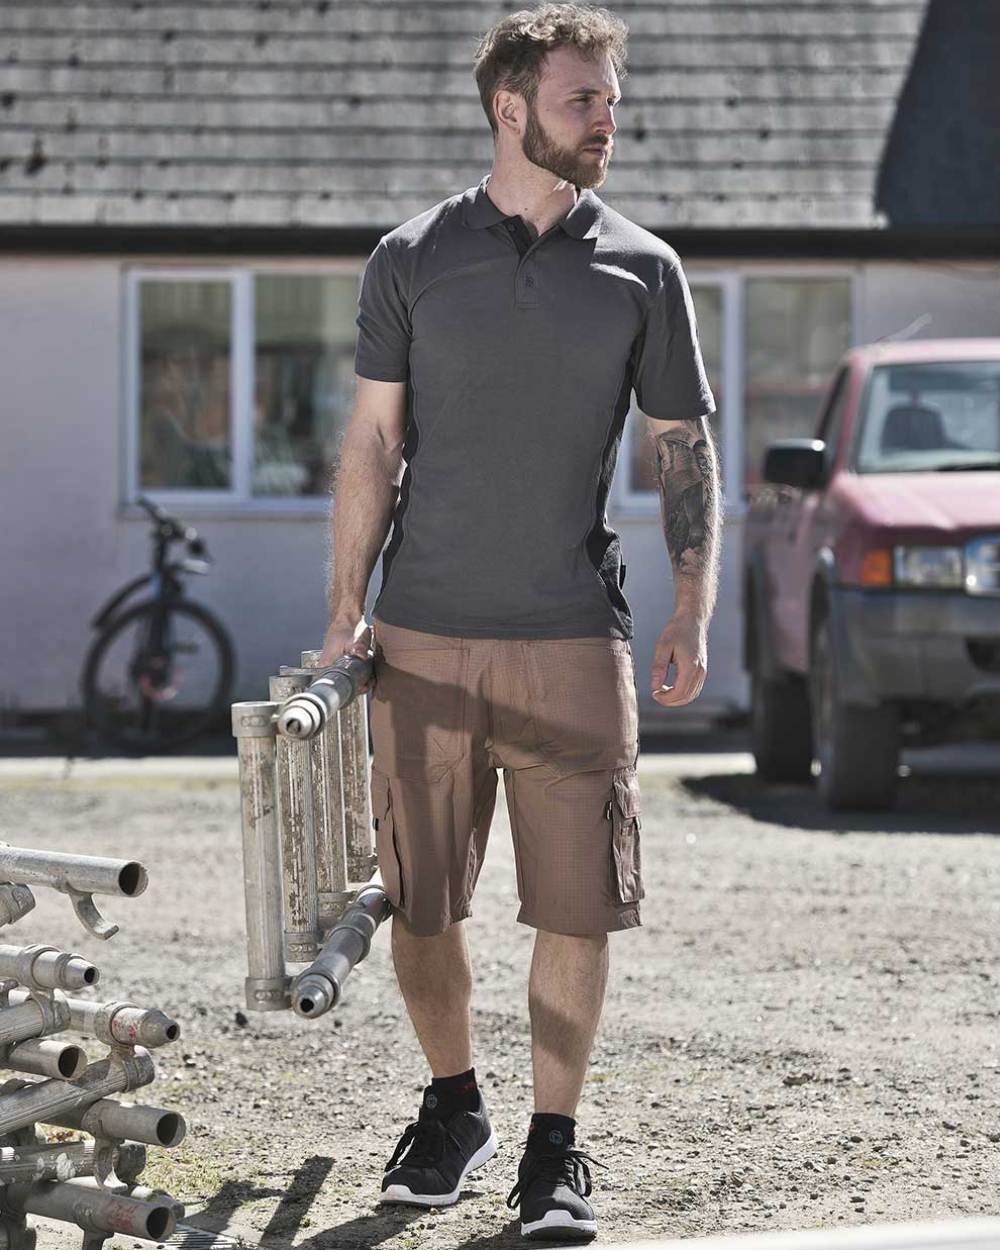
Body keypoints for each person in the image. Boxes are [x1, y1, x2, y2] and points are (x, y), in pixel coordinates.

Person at [319, 3, 721, 1240]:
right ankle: (454, 1106)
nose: (609, 118)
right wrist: (344, 609)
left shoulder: (643, 268)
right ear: (511, 110)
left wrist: (690, 606)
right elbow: (374, 441)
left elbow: (681, 449)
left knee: (577, 905)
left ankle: (554, 1145)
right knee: (424, 902)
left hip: (570, 637)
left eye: (609, 96)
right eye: (582, 99)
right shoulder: (411, 257)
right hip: (423, 635)